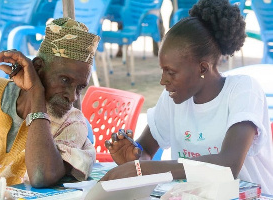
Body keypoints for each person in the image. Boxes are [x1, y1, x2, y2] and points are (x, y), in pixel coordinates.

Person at [101, 0, 273, 195]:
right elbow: (145, 151)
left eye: (171, 72)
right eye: (162, 71)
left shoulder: (243, 91)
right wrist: (134, 159)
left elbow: (228, 165)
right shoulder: (173, 98)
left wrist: (146, 169)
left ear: (202, 68)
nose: (163, 81)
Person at [0, 17, 100, 194]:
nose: (72, 96)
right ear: (38, 67)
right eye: (65, 80)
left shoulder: (72, 122)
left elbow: (41, 176)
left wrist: (36, 95)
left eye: (80, 87)